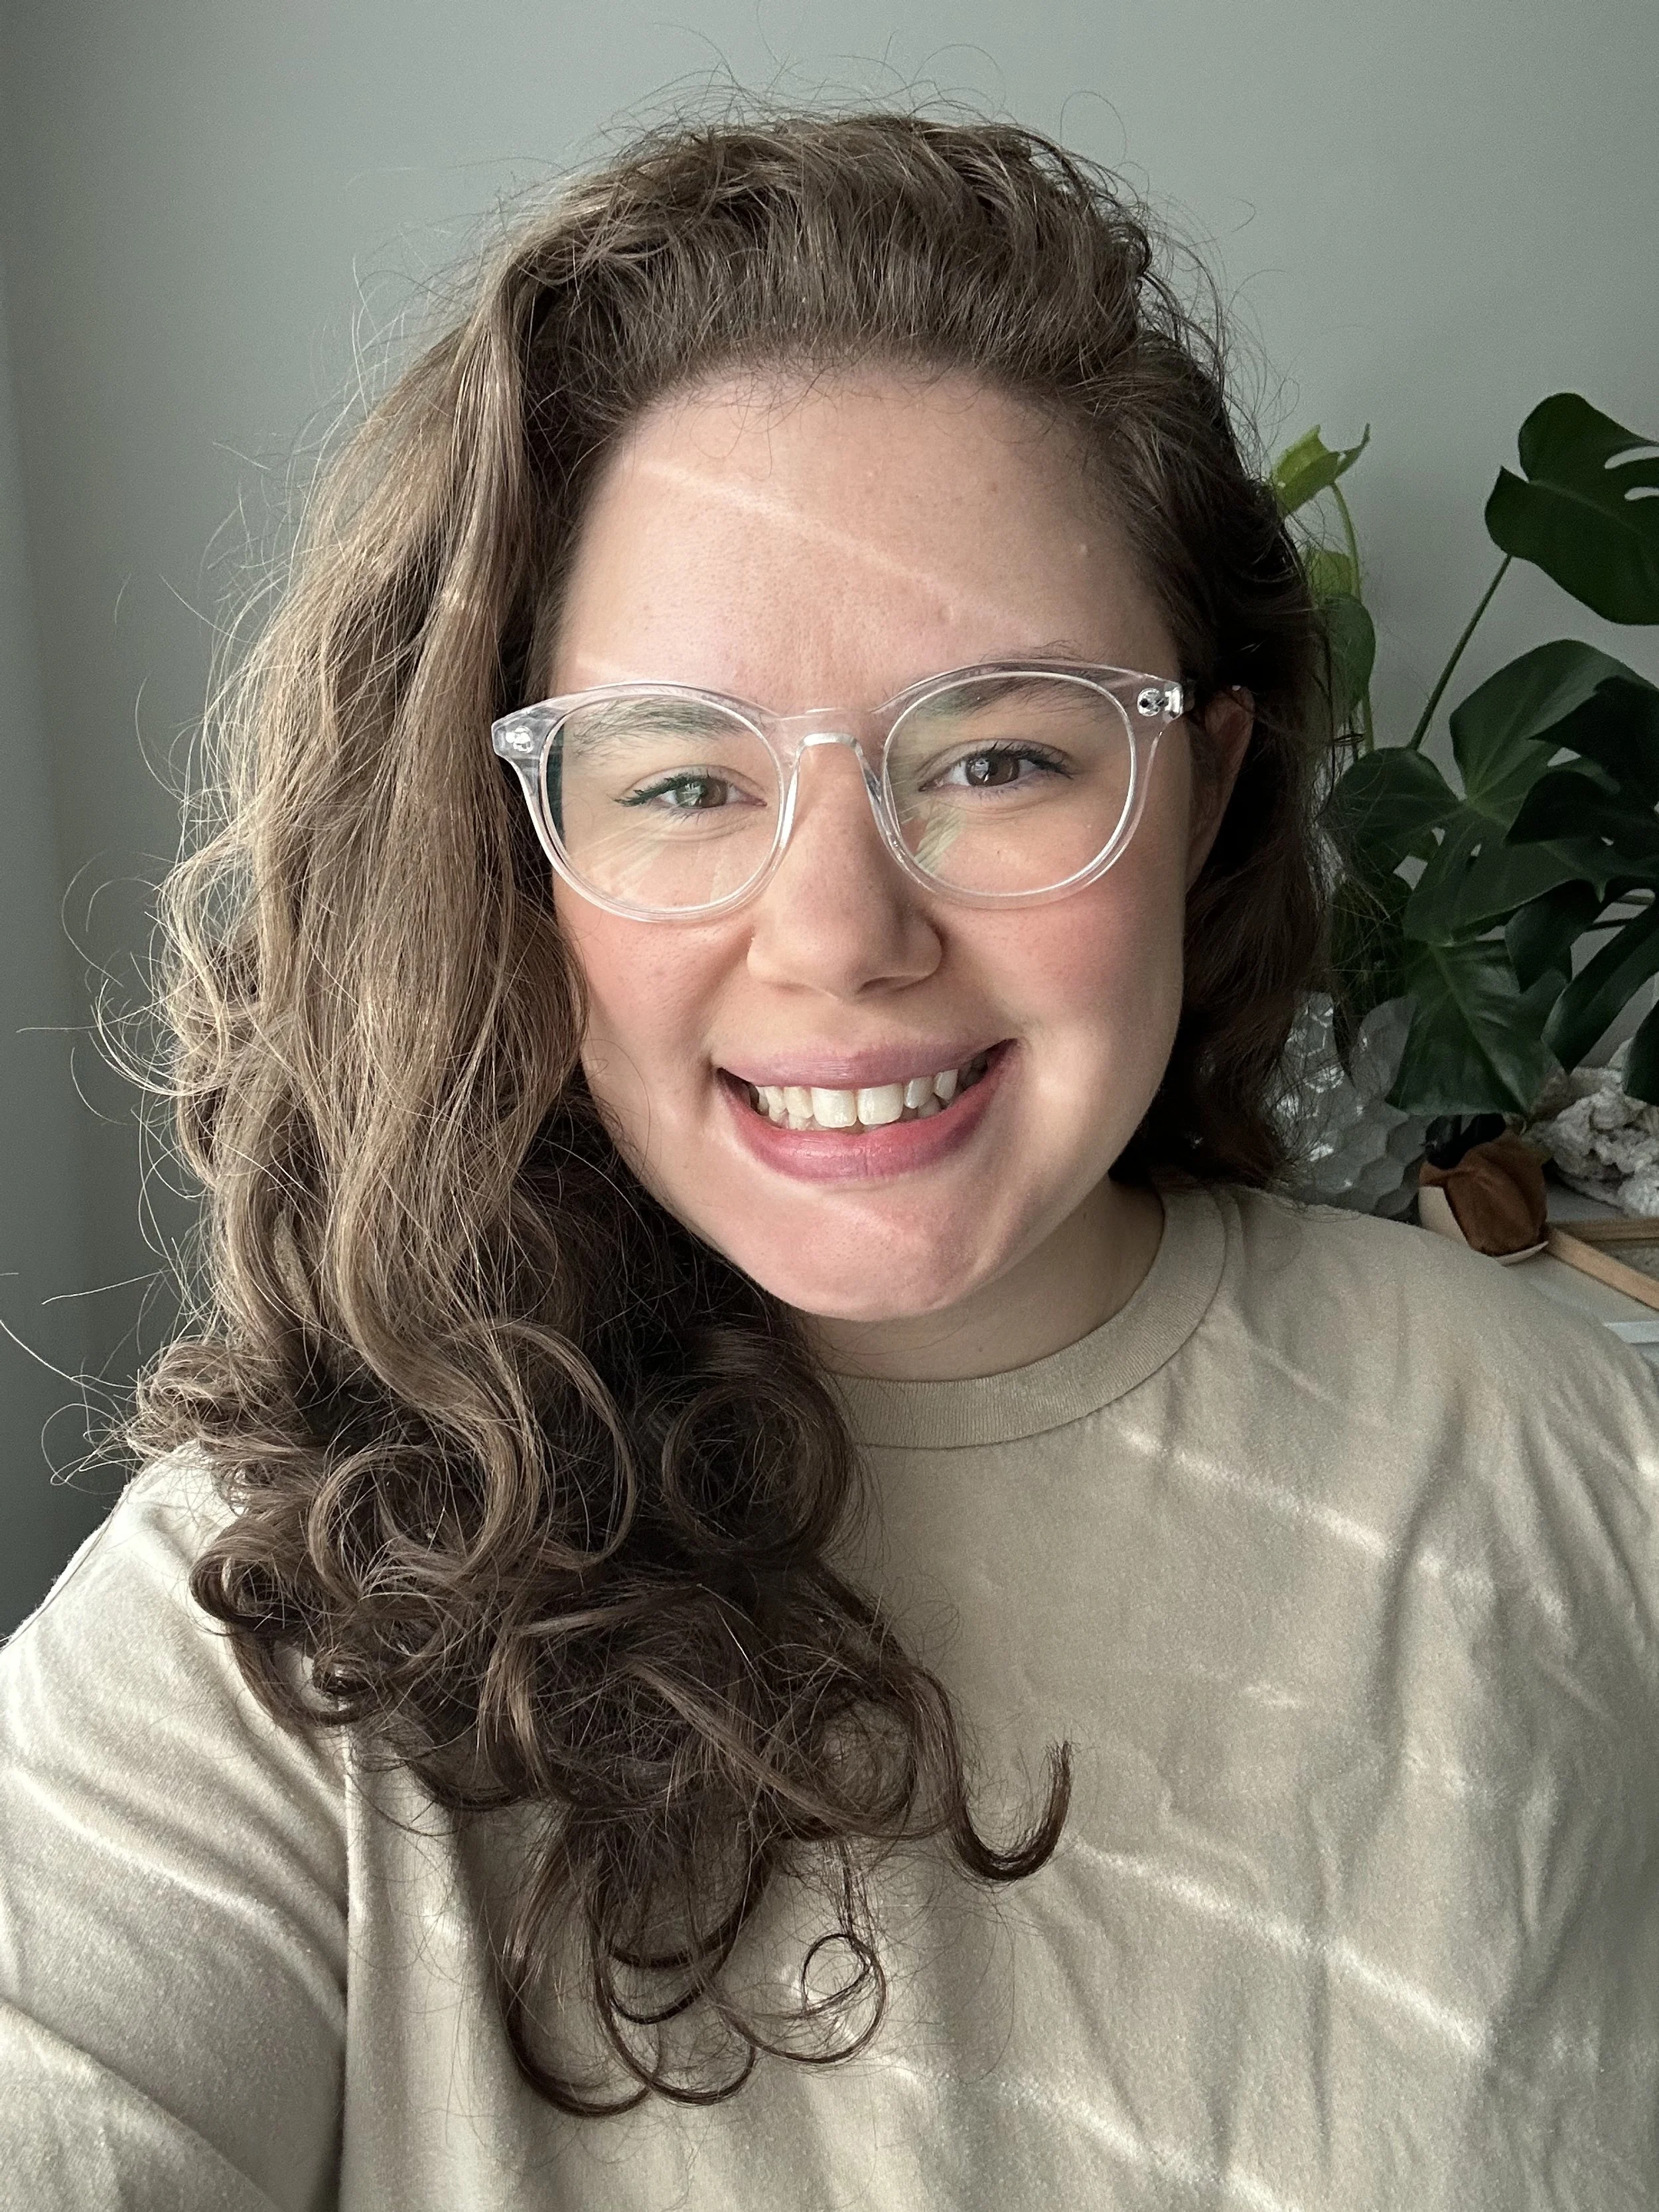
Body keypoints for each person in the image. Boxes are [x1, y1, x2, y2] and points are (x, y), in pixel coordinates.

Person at [3, 109, 1658, 2212]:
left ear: (1206, 794)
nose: (843, 937)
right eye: (681, 778)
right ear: (519, 870)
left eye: (996, 755)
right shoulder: (265, 1620)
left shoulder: (1574, 1472)